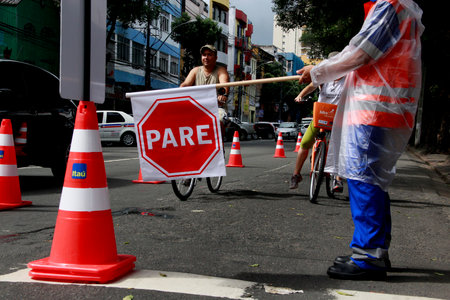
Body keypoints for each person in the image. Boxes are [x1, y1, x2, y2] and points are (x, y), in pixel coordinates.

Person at [296, 0, 424, 280]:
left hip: (373, 106)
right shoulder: (401, 7)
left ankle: (368, 254)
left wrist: (317, 72)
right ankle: (376, 250)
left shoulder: (389, 5)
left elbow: (361, 53)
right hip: (383, 104)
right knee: (372, 179)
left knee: (362, 177)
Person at [289, 52, 345, 192]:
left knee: (339, 147)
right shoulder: (324, 77)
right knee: (305, 142)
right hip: (321, 115)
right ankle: (296, 174)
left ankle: (337, 179)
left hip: (339, 118)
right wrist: (300, 95)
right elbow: (311, 86)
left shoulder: (348, 79)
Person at [180, 44, 230, 121]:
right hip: (198, 107)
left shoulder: (221, 70)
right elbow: (186, 84)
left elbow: (224, 85)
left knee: (219, 119)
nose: (206, 57)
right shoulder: (195, 70)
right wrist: (180, 90)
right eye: (204, 55)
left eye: (209, 55)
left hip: (216, 108)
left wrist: (222, 95)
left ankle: (221, 132)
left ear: (215, 58)